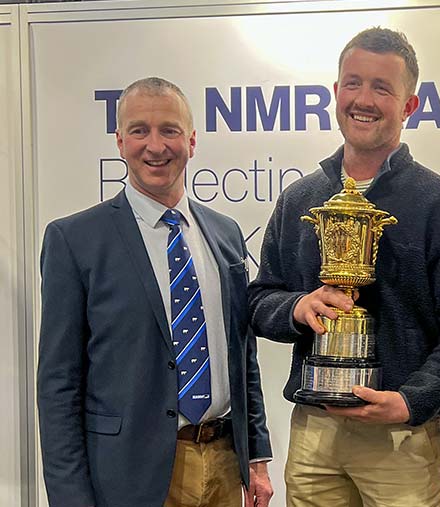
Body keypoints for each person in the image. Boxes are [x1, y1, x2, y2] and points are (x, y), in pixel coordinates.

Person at [247, 27, 440, 507]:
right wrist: (299, 307)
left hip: (402, 439)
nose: (364, 99)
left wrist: (412, 400)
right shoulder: (300, 198)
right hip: (315, 431)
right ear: (335, 93)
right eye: (353, 83)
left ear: (410, 106)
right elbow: (259, 299)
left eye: (382, 88)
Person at [37, 77, 273, 507]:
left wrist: (256, 456)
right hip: (128, 476)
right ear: (120, 140)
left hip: (223, 462)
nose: (155, 145)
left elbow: (243, 355)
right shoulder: (74, 239)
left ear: (192, 140)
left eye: (169, 130)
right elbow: (58, 384)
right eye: (140, 130)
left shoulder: (225, 233)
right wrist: (70, 497)